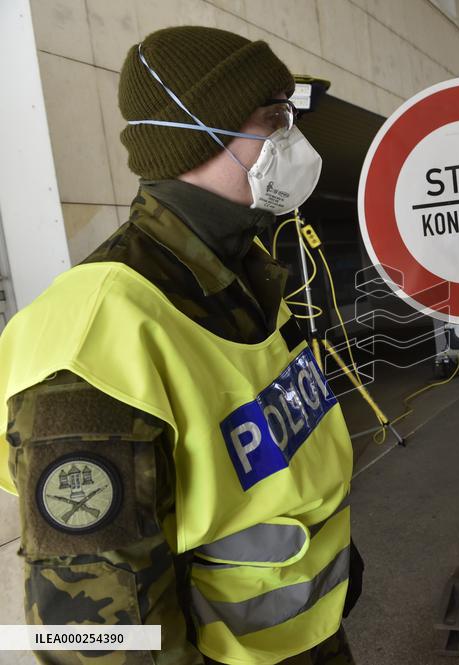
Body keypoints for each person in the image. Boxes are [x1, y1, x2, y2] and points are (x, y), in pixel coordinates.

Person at [0, 26, 361, 664]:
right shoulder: (95, 334)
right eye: (275, 118)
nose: (292, 139)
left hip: (310, 639)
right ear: (199, 130)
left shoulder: (243, 278)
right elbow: (91, 635)